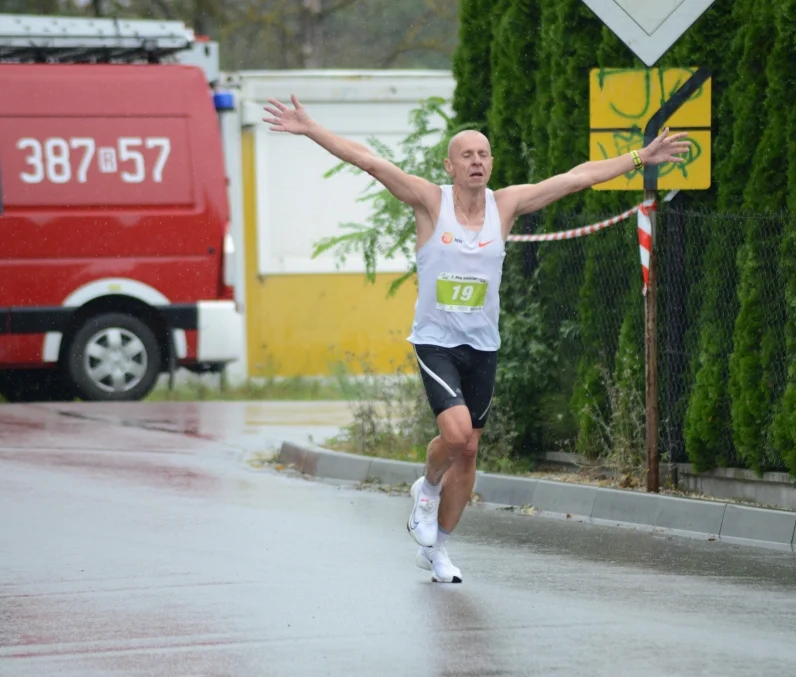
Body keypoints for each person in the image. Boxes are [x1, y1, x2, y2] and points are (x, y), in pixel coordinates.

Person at [263, 94, 690, 584]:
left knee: (469, 452)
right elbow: (369, 161)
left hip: (483, 346)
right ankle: (425, 490)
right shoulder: (429, 201)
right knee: (456, 433)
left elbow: (578, 177)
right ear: (449, 165)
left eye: (484, 154)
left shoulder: (504, 205)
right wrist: (311, 127)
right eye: (467, 154)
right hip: (436, 342)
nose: (477, 161)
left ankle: (439, 550)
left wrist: (641, 156)